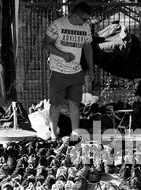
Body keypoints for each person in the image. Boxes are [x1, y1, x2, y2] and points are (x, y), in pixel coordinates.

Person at [43, 1, 94, 140]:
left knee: (74, 104)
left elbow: (87, 48)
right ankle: (54, 135)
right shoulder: (58, 24)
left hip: (76, 72)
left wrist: (91, 68)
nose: (85, 22)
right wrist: (63, 55)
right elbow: (46, 43)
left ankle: (75, 133)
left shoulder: (85, 28)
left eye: (87, 20)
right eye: (84, 19)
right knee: (55, 104)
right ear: (75, 14)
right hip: (58, 71)